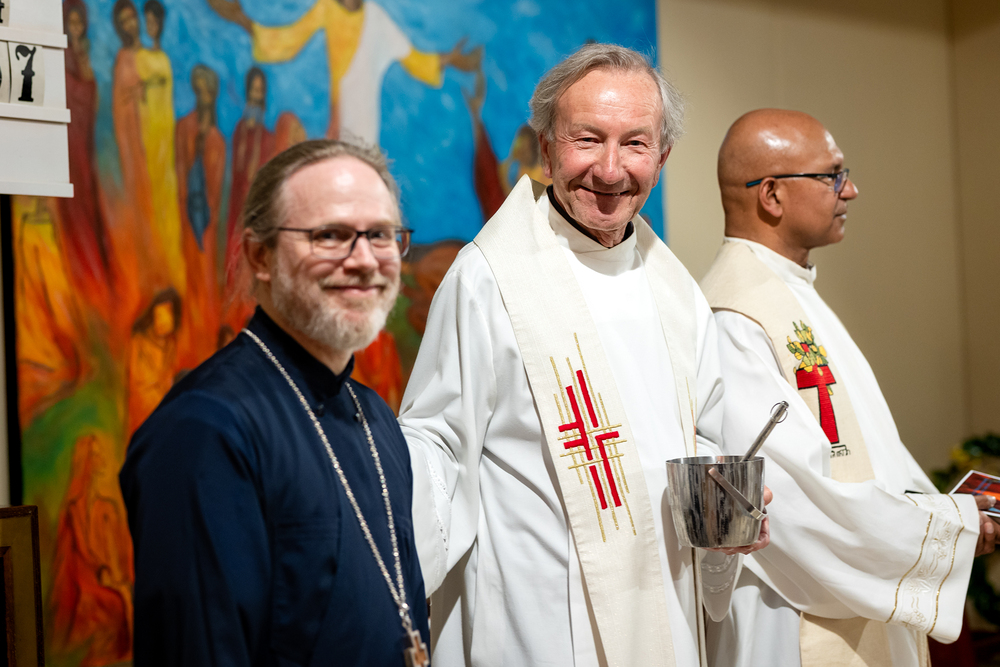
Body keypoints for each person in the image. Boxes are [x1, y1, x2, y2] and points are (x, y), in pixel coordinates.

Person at [397, 44, 769, 667]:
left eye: (635, 144)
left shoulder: (678, 293)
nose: (610, 169)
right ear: (546, 150)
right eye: (588, 140)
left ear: (662, 158)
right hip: (534, 623)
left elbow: (702, 443)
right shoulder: (488, 279)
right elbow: (439, 446)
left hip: (662, 607)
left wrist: (725, 505)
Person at [701, 108, 996, 667]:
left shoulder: (792, 295)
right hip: (795, 619)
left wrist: (949, 511)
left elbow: (873, 454)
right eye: (832, 175)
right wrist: (948, 529)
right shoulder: (735, 317)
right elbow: (786, 500)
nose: (850, 190)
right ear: (772, 195)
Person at [120, 139, 429, 666]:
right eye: (330, 235)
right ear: (260, 256)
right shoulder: (204, 431)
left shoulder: (376, 416)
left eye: (380, 235)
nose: (363, 261)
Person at [205, 0, 481, 142]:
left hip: (365, 117)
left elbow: (414, 58)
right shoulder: (328, 8)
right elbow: (289, 40)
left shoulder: (376, 17)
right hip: (341, 112)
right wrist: (241, 19)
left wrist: (452, 60)